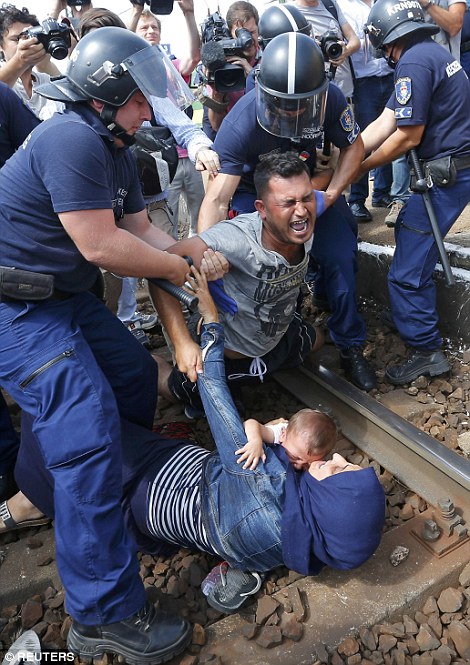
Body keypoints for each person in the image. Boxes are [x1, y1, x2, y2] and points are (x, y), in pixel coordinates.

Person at [0, 26, 233, 663]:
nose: (148, 109)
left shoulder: (114, 145)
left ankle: (73, 486)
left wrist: (183, 248)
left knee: (131, 377)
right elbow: (101, 248)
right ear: (106, 98)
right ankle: (102, 613)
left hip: (60, 294)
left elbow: (137, 229)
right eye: (138, 99)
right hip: (17, 306)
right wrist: (177, 270)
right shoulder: (72, 138)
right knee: (87, 426)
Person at [7, 264, 386, 618]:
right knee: (97, 413)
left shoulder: (264, 482)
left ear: (333, 507)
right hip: (157, 517)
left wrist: (211, 320)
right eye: (345, 462)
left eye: (339, 471)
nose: (336, 458)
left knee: (61, 417)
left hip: (151, 476)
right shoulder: (294, 543)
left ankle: (23, 505)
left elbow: (214, 394)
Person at [196, 32, 377, 392]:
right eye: (284, 106)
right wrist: (208, 252)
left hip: (310, 190)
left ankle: (350, 345)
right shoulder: (241, 123)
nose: (293, 113)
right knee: (266, 264)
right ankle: (277, 323)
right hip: (257, 197)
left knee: (340, 256)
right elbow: (217, 199)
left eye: (302, 106)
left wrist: (333, 192)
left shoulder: (332, 99)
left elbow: (354, 147)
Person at [152, 152, 325, 414]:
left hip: (275, 339)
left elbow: (329, 189)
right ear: (262, 209)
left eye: (306, 198)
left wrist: (333, 161)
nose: (301, 211)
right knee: (184, 391)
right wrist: (182, 344)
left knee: (317, 339)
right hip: (227, 355)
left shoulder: (305, 220)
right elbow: (159, 269)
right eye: (288, 203)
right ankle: (151, 364)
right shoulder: (234, 240)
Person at [359, 0, 470, 385]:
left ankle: (427, 351)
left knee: (406, 271)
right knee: (409, 227)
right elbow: (386, 120)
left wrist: (361, 167)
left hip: (448, 174)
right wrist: (351, 150)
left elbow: (408, 135)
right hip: (455, 169)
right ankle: (412, 317)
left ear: (381, 38)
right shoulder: (429, 53)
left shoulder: (413, 63)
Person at [337, 0, 410, 227]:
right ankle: (357, 200)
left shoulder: (387, 2)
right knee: (361, 136)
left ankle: (382, 193)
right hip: (363, 79)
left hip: (390, 72)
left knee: (391, 133)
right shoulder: (342, 6)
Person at [200, 1, 261, 139]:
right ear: (229, 34)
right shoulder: (219, 64)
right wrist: (217, 93)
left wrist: (252, 75)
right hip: (232, 140)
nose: (248, 40)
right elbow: (216, 126)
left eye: (252, 32)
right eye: (241, 34)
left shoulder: (269, 58)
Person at [0, 4, 63, 120]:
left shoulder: (46, 81)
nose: (25, 43)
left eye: (30, 37)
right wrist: (19, 61)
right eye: (16, 39)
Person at [292, 0, 360, 101]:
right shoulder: (291, 13)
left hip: (344, 95)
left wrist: (345, 51)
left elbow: (355, 40)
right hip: (313, 99)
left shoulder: (330, 4)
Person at [237, 408, 338, 471]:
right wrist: (255, 441)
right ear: (283, 435)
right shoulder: (279, 432)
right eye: (295, 458)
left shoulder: (295, 444)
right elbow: (250, 423)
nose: (298, 467)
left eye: (307, 463)